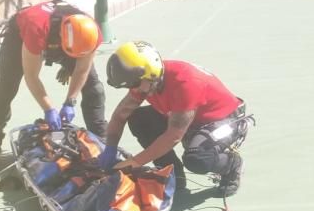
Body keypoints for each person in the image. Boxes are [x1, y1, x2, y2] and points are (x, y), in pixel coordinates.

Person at [100, 41, 247, 196]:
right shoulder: (146, 81)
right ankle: (172, 173)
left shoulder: (186, 83)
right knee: (139, 119)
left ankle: (232, 165)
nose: (133, 89)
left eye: (135, 84)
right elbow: (120, 115)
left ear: (151, 73)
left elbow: (173, 136)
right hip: (189, 116)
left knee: (197, 158)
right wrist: (110, 148)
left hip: (224, 120)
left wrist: (134, 163)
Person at [0, 0, 106, 173]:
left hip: (66, 41)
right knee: (5, 89)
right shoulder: (36, 28)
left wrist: (70, 101)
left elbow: (82, 70)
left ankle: (100, 142)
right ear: (62, 38)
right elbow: (31, 76)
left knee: (94, 90)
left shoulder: (92, 33)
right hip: (19, 38)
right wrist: (49, 109)